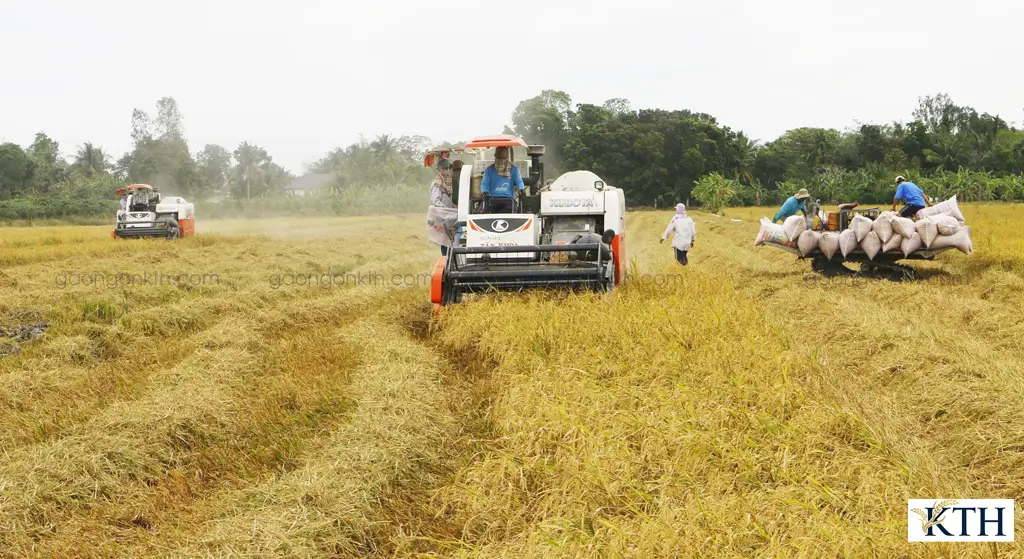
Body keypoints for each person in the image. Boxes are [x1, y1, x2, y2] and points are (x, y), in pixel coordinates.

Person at [480, 145, 524, 213]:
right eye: (499, 158)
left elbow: (519, 182)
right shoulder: (489, 170)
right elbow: (484, 184)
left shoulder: (514, 169)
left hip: (507, 200)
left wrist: (521, 189)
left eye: (503, 158)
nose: (501, 161)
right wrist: (484, 192)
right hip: (492, 200)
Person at [429, 158, 456, 256]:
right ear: (439, 170)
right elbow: (436, 201)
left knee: (452, 240)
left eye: (449, 168)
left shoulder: (450, 183)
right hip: (442, 216)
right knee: (445, 241)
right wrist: (446, 211)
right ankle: (445, 260)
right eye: (444, 168)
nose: (447, 171)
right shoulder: (437, 184)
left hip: (451, 216)